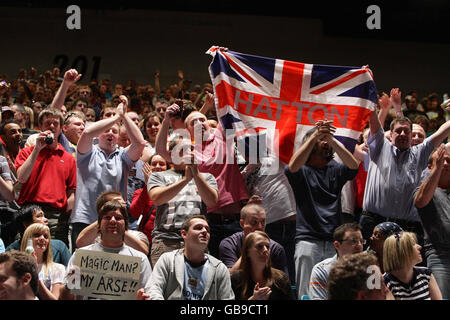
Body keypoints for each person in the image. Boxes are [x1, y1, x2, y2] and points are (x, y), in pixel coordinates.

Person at [156, 97, 248, 258]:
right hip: (209, 222)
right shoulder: (189, 150)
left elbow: (230, 110)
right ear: (187, 131)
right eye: (193, 122)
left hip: (235, 218)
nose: (199, 123)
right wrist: (165, 121)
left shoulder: (222, 136)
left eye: (202, 119)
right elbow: (162, 152)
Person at [360, 96, 450, 246]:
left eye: (406, 131)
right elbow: (375, 124)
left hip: (407, 228)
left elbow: (441, 133)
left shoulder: (420, 152)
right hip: (373, 222)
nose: (402, 134)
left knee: (405, 269)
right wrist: (369, 97)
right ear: (391, 134)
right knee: (370, 267)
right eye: (398, 131)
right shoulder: (380, 147)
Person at [285, 120, 359, 299]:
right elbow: (292, 167)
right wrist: (315, 136)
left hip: (335, 242)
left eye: (326, 139)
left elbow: (353, 166)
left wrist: (331, 139)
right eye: (321, 140)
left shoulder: (335, 169)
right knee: (307, 295)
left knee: (337, 293)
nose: (325, 142)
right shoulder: (302, 170)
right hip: (308, 240)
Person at [69, 95, 145, 250]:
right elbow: (88, 132)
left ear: (118, 137)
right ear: (99, 134)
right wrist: (116, 117)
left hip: (113, 221)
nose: (110, 133)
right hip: (85, 219)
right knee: (81, 268)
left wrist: (124, 116)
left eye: (115, 131)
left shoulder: (123, 156)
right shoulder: (87, 152)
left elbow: (140, 143)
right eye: (106, 130)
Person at [148, 138, 218, 267]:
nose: (188, 153)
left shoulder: (207, 177)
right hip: (166, 241)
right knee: (165, 285)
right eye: (182, 149)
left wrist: (196, 174)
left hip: (196, 240)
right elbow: (156, 198)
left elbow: (212, 202)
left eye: (190, 149)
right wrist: (185, 180)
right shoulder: (158, 176)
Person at [64, 200, 152, 300]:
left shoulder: (140, 259)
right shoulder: (80, 257)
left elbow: (147, 293)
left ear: (125, 225)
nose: (113, 221)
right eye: (107, 217)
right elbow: (67, 297)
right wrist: (70, 286)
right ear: (99, 224)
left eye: (118, 218)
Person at [15, 107, 77, 247]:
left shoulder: (68, 158)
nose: (52, 126)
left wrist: (64, 216)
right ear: (40, 127)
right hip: (30, 211)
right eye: (47, 123)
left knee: (56, 252)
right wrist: (37, 149)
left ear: (61, 128)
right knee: (26, 252)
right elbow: (22, 178)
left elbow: (72, 192)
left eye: (56, 123)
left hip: (56, 216)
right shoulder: (27, 152)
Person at [146, 215, 234, 300]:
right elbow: (153, 289)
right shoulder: (168, 260)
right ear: (184, 234)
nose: (204, 231)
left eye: (207, 229)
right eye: (198, 228)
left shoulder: (219, 268)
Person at [414, 144, 450, 299]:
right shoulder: (425, 189)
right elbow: (420, 201)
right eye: (441, 160)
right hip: (440, 256)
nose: (445, 164)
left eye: (449, 161)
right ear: (429, 167)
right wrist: (437, 170)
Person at [219, 197, 288, 275]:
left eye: (263, 222)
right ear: (242, 223)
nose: (259, 227)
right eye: (254, 222)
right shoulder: (230, 244)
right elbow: (230, 277)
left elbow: (282, 283)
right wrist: (248, 249)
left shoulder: (275, 248)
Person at [74, 191, 149, 256]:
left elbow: (143, 252)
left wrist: (120, 227)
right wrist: (105, 215)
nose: (113, 220)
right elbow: (81, 243)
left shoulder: (136, 235)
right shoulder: (94, 237)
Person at [230, 230, 294, 300]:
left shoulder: (281, 278)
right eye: (259, 246)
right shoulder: (236, 279)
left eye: (268, 246)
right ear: (247, 252)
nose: (265, 250)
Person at [308, 222, 365, 300]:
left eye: (361, 241)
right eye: (353, 241)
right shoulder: (322, 270)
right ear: (337, 245)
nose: (359, 246)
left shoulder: (370, 268)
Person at [383, 231, 442, 300]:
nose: (419, 247)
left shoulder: (426, 274)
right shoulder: (385, 281)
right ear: (402, 251)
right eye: (413, 244)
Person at [6, 204, 71, 266]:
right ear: (26, 224)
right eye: (39, 216)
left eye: (44, 216)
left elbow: (71, 271)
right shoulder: (12, 251)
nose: (46, 220)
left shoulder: (59, 246)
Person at [129, 154, 168, 245]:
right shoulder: (140, 192)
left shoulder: (174, 189)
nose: (157, 167)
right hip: (147, 242)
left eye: (161, 164)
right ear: (148, 168)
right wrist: (148, 185)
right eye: (154, 164)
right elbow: (134, 213)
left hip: (167, 241)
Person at [20, 223, 65, 300]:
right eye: (37, 235)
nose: (42, 238)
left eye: (46, 236)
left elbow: (54, 298)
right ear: (28, 240)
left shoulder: (57, 268)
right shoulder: (16, 266)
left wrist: (35, 273)